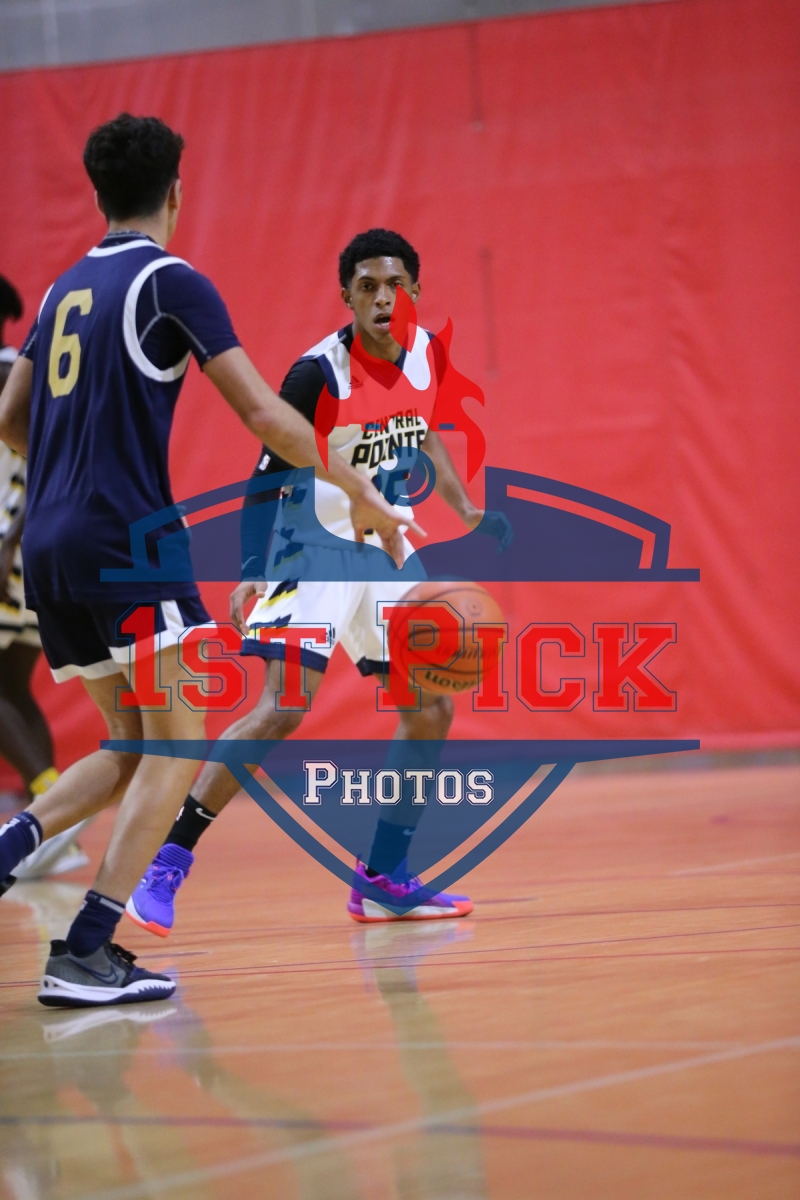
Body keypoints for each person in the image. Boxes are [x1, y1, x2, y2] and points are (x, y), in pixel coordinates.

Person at [0, 118, 413, 1008]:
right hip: (124, 539)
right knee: (178, 745)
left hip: (48, 543)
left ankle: (11, 851)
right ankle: (87, 949)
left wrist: (69, 467)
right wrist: (357, 486)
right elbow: (264, 414)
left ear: (98, 193)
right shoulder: (170, 282)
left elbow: (8, 416)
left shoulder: (63, 289)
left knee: (133, 744)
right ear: (177, 192)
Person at [127, 228, 502, 937]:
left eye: (395, 285)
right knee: (282, 709)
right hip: (312, 547)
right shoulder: (317, 374)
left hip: (384, 544)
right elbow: (263, 480)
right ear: (347, 298)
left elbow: (423, 430)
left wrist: (463, 506)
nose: (383, 298)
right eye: (368, 287)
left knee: (431, 706)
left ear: (416, 291)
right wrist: (251, 573)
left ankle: (382, 878)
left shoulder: (428, 353)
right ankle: (168, 861)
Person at [0, 275, 91, 878]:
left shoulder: (8, 371)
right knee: (13, 688)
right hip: (33, 543)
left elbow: (41, 460)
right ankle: (55, 828)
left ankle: (52, 806)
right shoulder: (22, 367)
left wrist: (9, 541)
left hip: (13, 543)